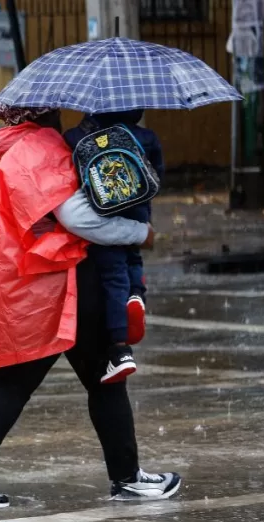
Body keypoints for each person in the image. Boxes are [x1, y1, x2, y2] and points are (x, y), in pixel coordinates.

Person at [0, 103, 181, 509]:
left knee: (18, 381)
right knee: (104, 378)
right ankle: (126, 478)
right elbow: (77, 218)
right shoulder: (41, 149)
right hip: (55, 285)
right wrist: (138, 232)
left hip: (16, 283)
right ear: (47, 112)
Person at [64, 110, 165, 383]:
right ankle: (137, 296)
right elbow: (157, 177)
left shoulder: (78, 137)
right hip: (138, 213)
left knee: (112, 277)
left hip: (104, 215)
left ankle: (120, 348)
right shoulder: (146, 137)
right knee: (133, 261)